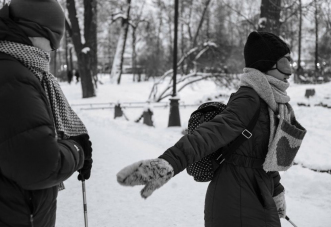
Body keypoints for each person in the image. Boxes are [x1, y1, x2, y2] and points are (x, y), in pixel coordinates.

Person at [117, 31, 306, 227]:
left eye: (290, 63)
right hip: (235, 201)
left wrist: (276, 190)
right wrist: (167, 163)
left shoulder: (271, 105)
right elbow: (207, 136)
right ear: (265, 65)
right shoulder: (249, 100)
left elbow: (262, 158)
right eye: (285, 64)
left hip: (257, 196)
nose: (289, 72)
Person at [0, 1, 93, 226]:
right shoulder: (14, 79)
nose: (52, 50)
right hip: (11, 214)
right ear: (35, 31)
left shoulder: (2, 66)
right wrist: (77, 151)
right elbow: (41, 167)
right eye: (53, 40)